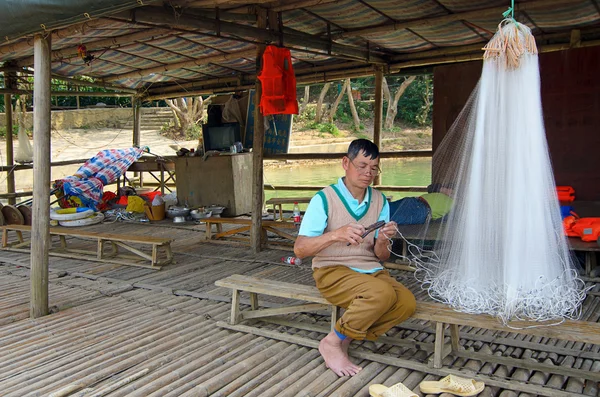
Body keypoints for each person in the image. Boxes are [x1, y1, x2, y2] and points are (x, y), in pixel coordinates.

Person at [294, 139, 416, 377]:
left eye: (373, 168)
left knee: (406, 303)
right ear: (345, 163)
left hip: (370, 270)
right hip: (332, 270)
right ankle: (331, 341)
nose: (368, 173)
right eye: (361, 166)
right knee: (381, 294)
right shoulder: (324, 199)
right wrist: (336, 235)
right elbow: (300, 249)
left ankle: (346, 335)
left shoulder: (380, 200)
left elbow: (382, 256)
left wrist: (382, 240)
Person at [389, 183, 453, 225]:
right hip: (413, 201)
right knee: (384, 207)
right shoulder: (454, 188)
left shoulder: (459, 207)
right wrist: (444, 190)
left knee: (385, 219)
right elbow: (430, 188)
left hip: (422, 211)